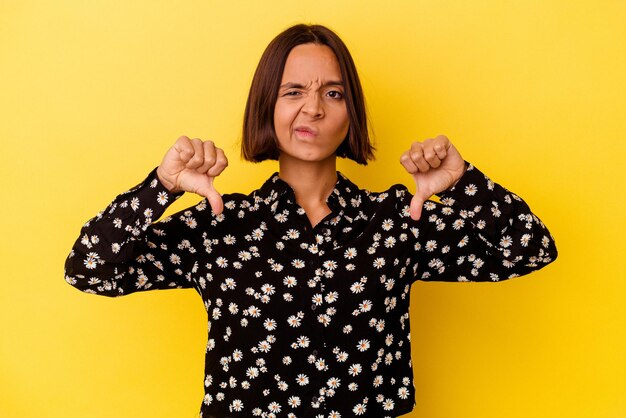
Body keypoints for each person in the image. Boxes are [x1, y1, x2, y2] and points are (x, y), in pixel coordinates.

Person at [64, 23, 557, 418]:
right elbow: (87, 269)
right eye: (293, 90)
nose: (313, 108)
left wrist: (463, 182)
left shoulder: (396, 220)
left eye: (334, 94)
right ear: (268, 105)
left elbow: (531, 249)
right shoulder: (218, 226)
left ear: (351, 113)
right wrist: (162, 187)